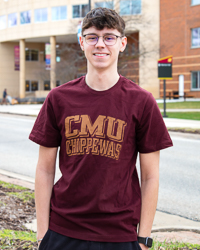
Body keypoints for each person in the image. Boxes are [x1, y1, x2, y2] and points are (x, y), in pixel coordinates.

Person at [29, 7, 173, 250]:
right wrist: (43, 234)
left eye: (109, 37)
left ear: (122, 43)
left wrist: (144, 239)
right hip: (64, 230)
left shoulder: (142, 101)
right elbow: (44, 170)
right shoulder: (58, 98)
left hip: (119, 234)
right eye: (92, 37)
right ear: (81, 42)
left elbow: (150, 176)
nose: (100, 45)